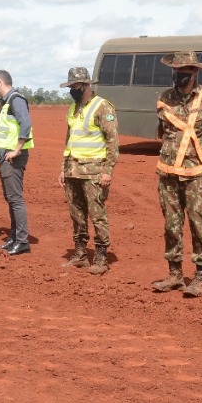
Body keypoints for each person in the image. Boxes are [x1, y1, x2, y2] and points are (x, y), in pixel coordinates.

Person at [151, 51, 202, 297]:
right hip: (168, 173)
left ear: (195, 71)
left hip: (199, 173)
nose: (179, 74)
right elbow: (162, 131)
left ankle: (200, 277)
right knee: (172, 226)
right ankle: (174, 274)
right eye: (175, 70)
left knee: (199, 224)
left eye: (184, 70)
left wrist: (200, 153)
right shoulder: (165, 98)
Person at [57, 67, 119, 274]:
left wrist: (107, 171)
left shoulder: (103, 107)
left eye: (75, 86)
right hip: (73, 170)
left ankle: (101, 256)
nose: (72, 90)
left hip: (94, 172)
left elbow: (112, 142)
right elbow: (69, 141)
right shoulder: (72, 109)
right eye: (70, 87)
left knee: (97, 214)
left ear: (86, 85)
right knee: (77, 215)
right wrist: (63, 169)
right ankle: (80, 253)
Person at [0, 69, 34, 255]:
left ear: (0, 82)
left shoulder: (16, 100)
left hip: (13, 157)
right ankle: (14, 237)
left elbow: (26, 124)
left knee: (15, 198)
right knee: (10, 198)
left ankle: (22, 241)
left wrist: (16, 149)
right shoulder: (5, 102)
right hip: (4, 156)